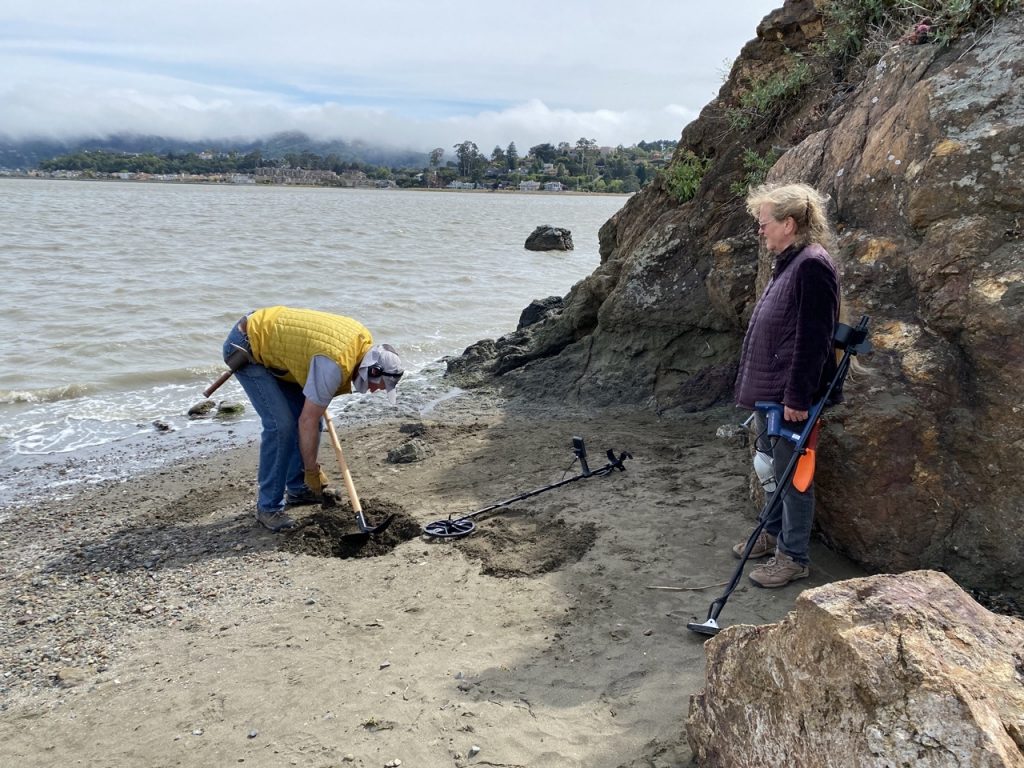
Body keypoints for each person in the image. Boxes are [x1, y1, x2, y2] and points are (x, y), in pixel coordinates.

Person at [732, 182, 840, 588]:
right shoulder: (792, 262)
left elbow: (815, 339)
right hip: (772, 390)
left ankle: (793, 557)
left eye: (764, 224)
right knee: (775, 471)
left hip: (790, 396)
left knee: (794, 477)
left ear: (789, 224)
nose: (760, 231)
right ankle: (773, 534)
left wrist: (798, 397)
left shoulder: (812, 265)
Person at [221, 306, 403, 532]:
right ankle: (268, 507)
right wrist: (312, 471)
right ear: (372, 371)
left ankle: (298, 489)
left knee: (310, 420)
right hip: (248, 347)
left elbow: (310, 415)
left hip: (281, 353)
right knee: (282, 427)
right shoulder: (334, 365)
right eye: (380, 385)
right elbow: (305, 421)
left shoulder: (359, 346)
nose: (376, 391)